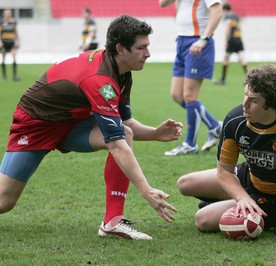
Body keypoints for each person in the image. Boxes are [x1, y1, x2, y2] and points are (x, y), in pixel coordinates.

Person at [0, 15, 182, 241]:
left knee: (124, 134)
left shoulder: (122, 72)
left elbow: (124, 125)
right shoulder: (101, 80)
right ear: (121, 49)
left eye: (148, 46)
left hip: (71, 122)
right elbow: (116, 145)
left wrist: (155, 134)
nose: (148, 54)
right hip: (36, 123)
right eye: (141, 47)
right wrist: (146, 190)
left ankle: (112, 222)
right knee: (4, 202)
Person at [177, 64, 276, 244]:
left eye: (254, 100)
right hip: (251, 177)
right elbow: (224, 172)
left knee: (203, 220)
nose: (245, 104)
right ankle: (237, 202)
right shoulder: (236, 120)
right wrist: (242, 197)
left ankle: (231, 207)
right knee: (185, 184)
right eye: (246, 95)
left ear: (271, 105)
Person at [159, 0, 223, 155]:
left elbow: (217, 11)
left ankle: (190, 144)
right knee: (177, 95)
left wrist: (204, 39)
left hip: (197, 41)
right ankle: (215, 127)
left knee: (189, 96)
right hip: (182, 41)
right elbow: (162, 3)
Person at [214, 3, 248, 85]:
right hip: (238, 39)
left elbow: (228, 28)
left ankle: (223, 79)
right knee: (241, 59)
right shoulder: (236, 16)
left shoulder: (228, 16)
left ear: (225, 10)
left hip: (232, 40)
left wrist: (226, 41)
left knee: (226, 58)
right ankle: (251, 78)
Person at [0, 8, 20, 81]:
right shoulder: (1, 21)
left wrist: (18, 40)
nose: (8, 14)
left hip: (12, 42)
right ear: (4, 14)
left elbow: (16, 32)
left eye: (9, 13)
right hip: (4, 42)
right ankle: (4, 76)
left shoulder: (13, 21)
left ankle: (14, 76)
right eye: (7, 13)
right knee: (3, 58)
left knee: (14, 56)